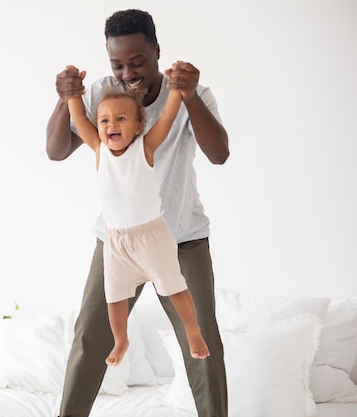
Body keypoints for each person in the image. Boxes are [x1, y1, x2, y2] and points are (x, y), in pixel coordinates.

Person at [46, 8, 229, 417]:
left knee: (202, 343)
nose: (128, 73)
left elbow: (219, 154)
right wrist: (65, 100)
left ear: (157, 52)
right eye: (118, 64)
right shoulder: (102, 95)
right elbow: (57, 150)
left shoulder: (184, 93)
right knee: (90, 340)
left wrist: (191, 94)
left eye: (137, 62)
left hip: (181, 239)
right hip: (118, 241)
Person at [66, 64, 209, 366]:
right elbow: (79, 118)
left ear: (137, 127)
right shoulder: (99, 150)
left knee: (175, 287)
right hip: (116, 241)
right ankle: (121, 340)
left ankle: (193, 331)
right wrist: (74, 94)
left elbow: (168, 118)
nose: (111, 125)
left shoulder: (145, 148)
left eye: (120, 118)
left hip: (151, 236)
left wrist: (175, 91)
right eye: (104, 120)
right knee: (114, 297)